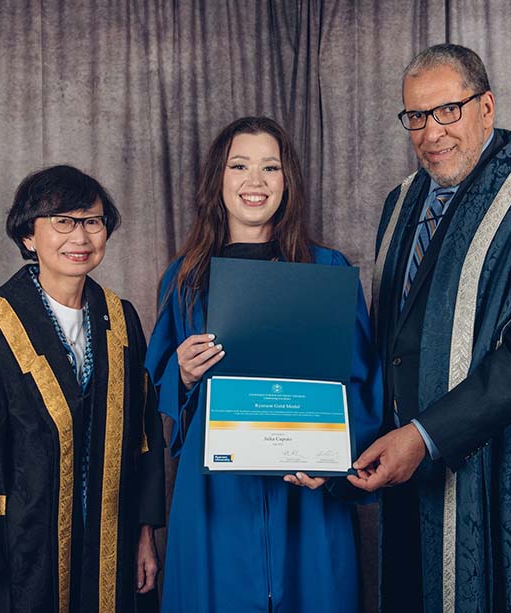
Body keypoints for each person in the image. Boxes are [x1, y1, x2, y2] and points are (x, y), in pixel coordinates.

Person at [348, 44, 511, 612]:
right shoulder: (401, 204)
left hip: (507, 475)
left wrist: (424, 436)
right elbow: (386, 344)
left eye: (448, 111)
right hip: (406, 472)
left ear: (486, 107)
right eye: (416, 116)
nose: (431, 132)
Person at [145, 116, 382, 613]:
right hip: (216, 498)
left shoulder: (327, 269)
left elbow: (361, 384)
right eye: (240, 166)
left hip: (307, 496)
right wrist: (183, 374)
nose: (255, 182)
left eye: (270, 167)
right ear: (218, 181)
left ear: (287, 181)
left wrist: (334, 464)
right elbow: (154, 387)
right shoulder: (186, 278)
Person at [0, 165, 165, 612]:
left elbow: (143, 435)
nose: (81, 236)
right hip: (22, 549)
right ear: (29, 237)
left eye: (92, 221)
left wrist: (145, 533)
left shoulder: (121, 320)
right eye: (63, 221)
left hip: (108, 545)